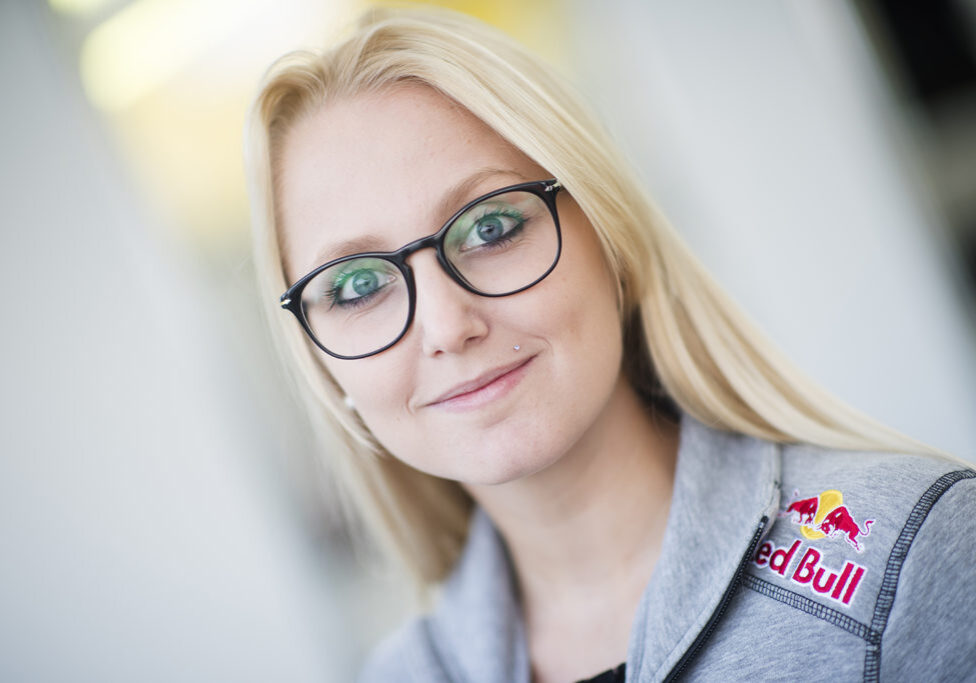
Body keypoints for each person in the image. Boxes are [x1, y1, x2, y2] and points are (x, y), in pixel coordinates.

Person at [245, 7, 976, 682]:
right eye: (356, 286)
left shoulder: (914, 555)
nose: (446, 326)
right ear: (320, 358)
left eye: (491, 227)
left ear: (611, 238)